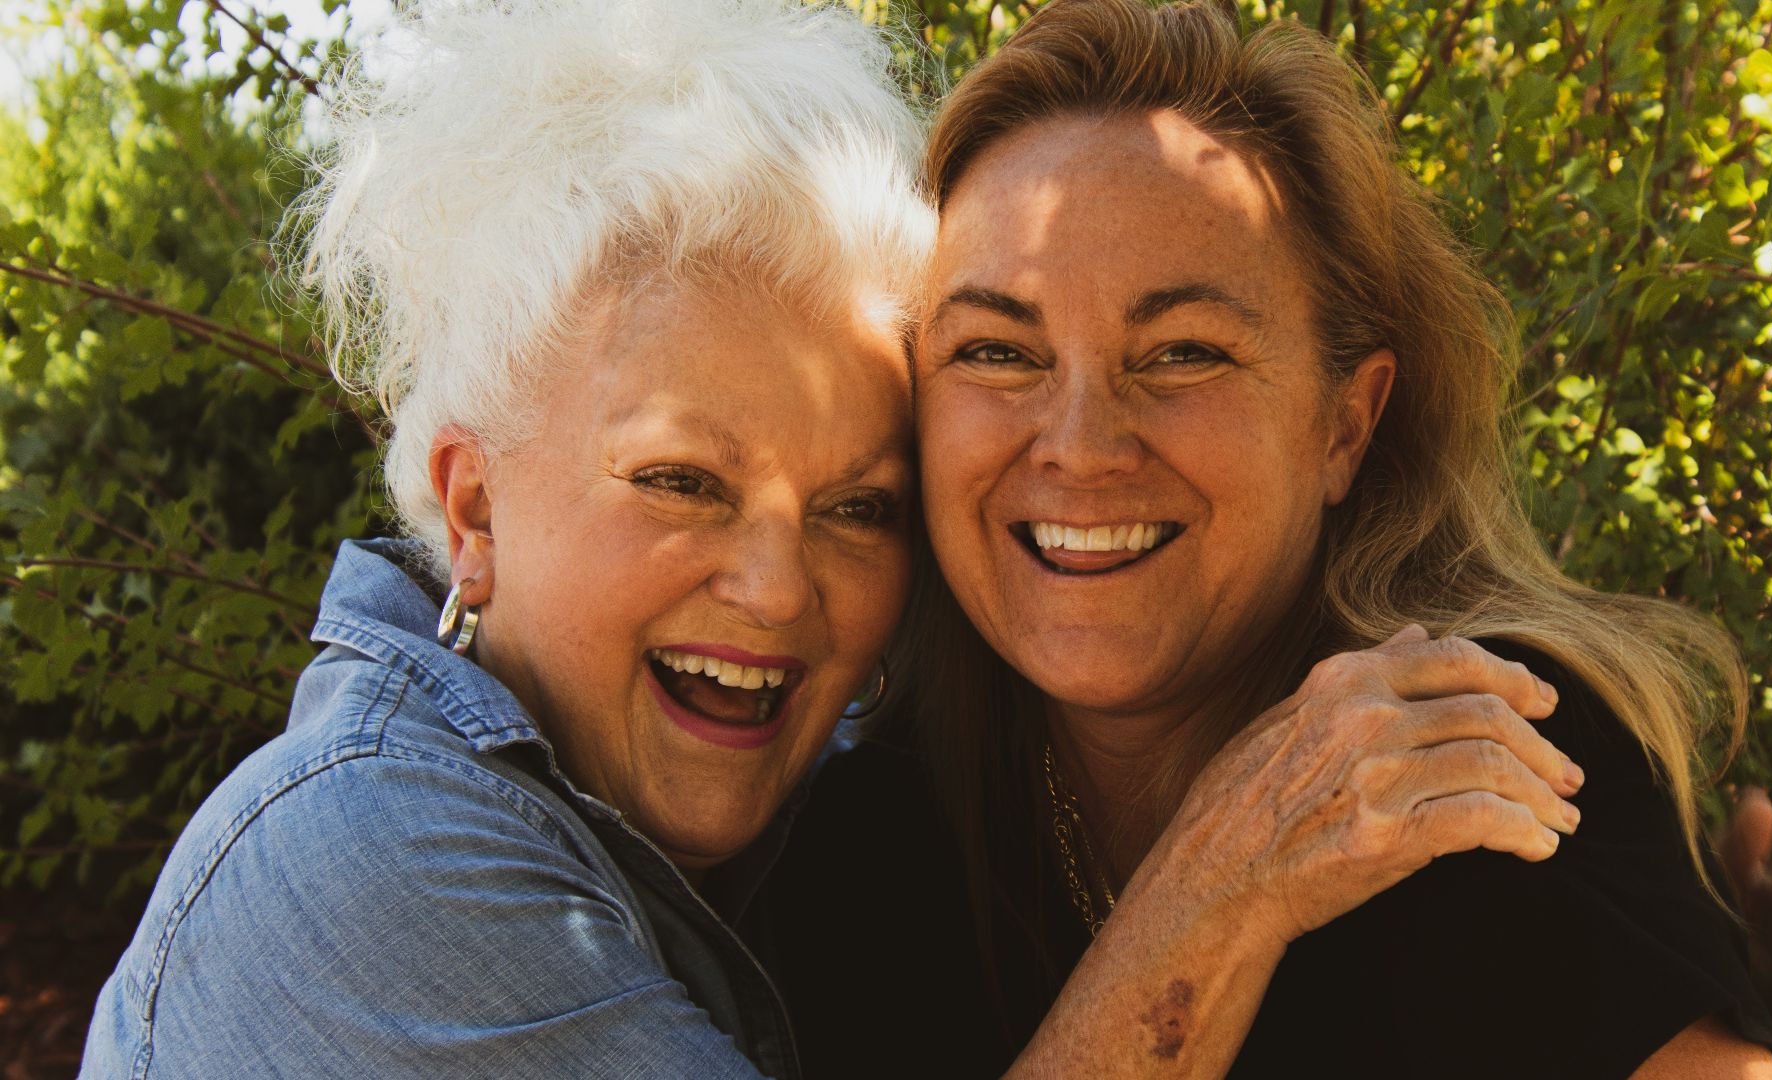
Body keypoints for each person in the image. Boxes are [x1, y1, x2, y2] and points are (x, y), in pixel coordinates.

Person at [79, 1, 1602, 1077]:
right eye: (678, 480)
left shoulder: (787, 840)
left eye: (859, 508)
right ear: (472, 506)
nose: (778, 588)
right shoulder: (371, 865)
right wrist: (1219, 886)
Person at [753, 1, 1772, 1076]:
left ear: (1343, 425)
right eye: (996, 353)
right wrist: (1216, 891)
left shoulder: (1477, 750)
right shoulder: (872, 835)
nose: (1080, 447)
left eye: (1183, 353)